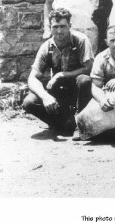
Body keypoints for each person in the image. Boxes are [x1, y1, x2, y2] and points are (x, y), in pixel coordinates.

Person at [22, 8, 93, 136]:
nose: (59, 31)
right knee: (29, 102)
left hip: (77, 92)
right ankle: (61, 123)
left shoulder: (81, 40)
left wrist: (62, 75)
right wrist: (45, 97)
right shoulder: (47, 46)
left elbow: (89, 68)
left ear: (69, 26)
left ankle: (80, 122)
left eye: (63, 26)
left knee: (85, 80)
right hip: (58, 94)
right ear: (50, 27)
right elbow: (32, 78)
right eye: (55, 27)